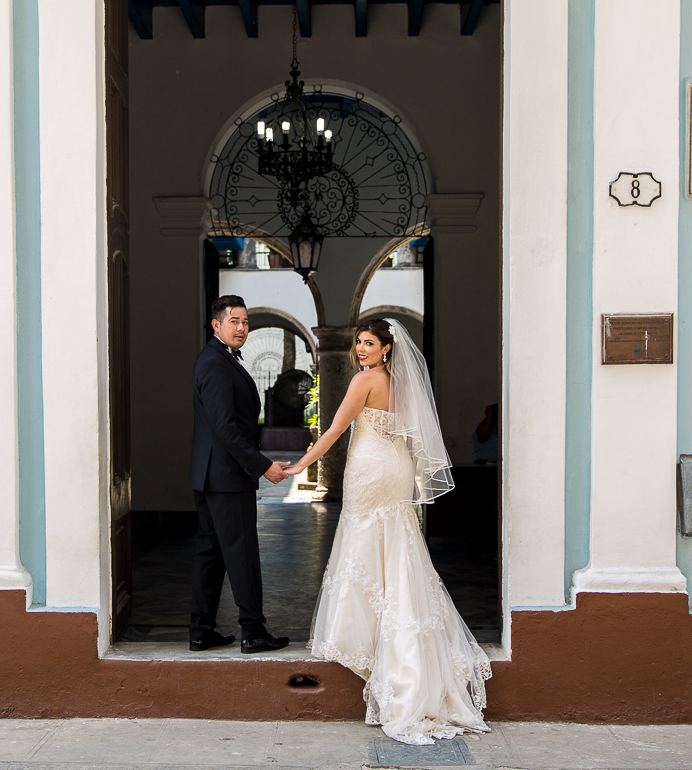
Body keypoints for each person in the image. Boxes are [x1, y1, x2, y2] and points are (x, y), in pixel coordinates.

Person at [281, 318, 491, 745]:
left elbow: (337, 428)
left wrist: (302, 464)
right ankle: (402, 632)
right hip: (396, 469)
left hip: (369, 469)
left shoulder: (364, 381)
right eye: (359, 343)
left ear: (387, 348)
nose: (361, 349)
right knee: (399, 543)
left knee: (364, 540)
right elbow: (415, 439)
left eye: (369, 343)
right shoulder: (405, 385)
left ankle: (368, 635)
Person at [188, 295, 291, 654]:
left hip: (212, 475)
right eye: (235, 321)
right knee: (242, 552)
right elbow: (225, 429)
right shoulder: (215, 363)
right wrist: (263, 466)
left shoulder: (217, 359)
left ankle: (201, 631)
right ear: (216, 324)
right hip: (226, 478)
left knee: (212, 554)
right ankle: (253, 631)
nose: (242, 328)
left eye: (245, 322)